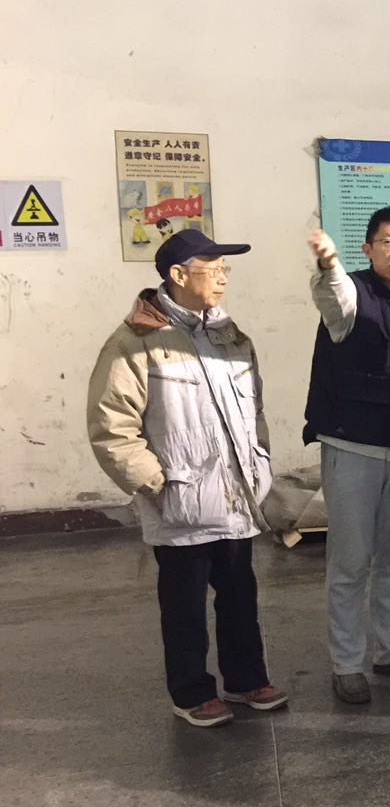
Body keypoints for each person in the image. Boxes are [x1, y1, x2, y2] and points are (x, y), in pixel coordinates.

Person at [87, 229, 287, 728]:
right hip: (179, 502)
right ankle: (191, 691)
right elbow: (112, 428)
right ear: (178, 275)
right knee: (184, 606)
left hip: (237, 497)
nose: (222, 278)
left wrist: (259, 463)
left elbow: (255, 410)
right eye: (212, 269)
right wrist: (158, 484)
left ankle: (246, 678)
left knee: (240, 596)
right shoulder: (134, 343)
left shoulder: (230, 336)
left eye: (224, 269)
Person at [303, 206, 390, 704]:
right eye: (387, 242)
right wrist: (329, 263)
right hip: (351, 446)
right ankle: (346, 663)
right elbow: (334, 295)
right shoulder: (354, 295)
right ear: (368, 249)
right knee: (350, 560)